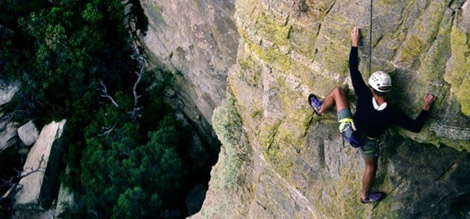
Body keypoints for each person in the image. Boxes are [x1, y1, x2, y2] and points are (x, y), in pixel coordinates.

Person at [308, 27, 437, 203]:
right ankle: (364, 196)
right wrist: (426, 107)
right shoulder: (392, 112)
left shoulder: (364, 94)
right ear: (388, 90)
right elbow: (415, 127)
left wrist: (355, 44)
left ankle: (321, 109)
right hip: (369, 142)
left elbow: (353, 69)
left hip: (350, 129)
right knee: (371, 167)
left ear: (371, 88)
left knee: (338, 91)